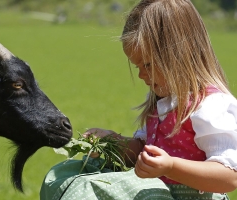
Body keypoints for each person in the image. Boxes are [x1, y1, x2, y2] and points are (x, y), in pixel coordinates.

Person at [40, 0, 237, 199]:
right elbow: (143, 153)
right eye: (138, 67)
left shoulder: (209, 105)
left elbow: (229, 177)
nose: (142, 75)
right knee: (71, 175)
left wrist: (171, 167)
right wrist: (114, 143)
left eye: (148, 65)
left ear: (179, 55)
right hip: (158, 193)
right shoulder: (162, 103)